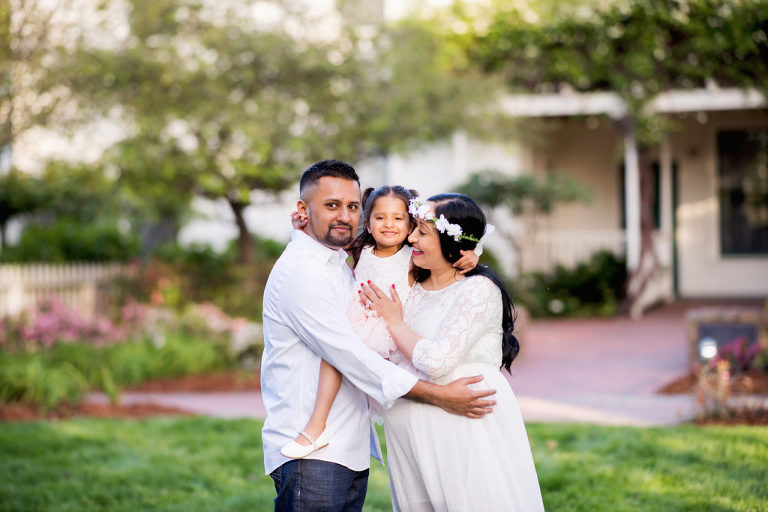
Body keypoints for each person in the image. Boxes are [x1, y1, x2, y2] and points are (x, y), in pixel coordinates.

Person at [261, 161, 498, 511]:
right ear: (302, 209)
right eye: (331, 205)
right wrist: (440, 396)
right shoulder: (303, 273)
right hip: (314, 455)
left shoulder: (338, 263)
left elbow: (431, 253)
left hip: (348, 445)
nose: (344, 215)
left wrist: (467, 254)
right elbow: (351, 356)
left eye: (352, 206)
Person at [361, 193, 545, 511]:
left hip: (463, 432)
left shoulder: (477, 290)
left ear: (450, 241)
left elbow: (435, 360)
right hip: (411, 440)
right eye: (414, 227)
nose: (411, 236)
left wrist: (394, 322)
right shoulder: (409, 287)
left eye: (422, 231)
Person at [281, 186, 480, 459]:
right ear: (368, 222)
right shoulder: (360, 248)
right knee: (334, 356)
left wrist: (471, 255)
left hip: (389, 329)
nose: (389, 225)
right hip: (358, 319)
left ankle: (320, 427)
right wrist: (300, 228)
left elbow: (445, 254)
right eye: (380, 218)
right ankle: (319, 426)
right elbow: (325, 240)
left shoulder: (413, 257)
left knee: (364, 374)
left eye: (398, 218)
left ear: (411, 224)